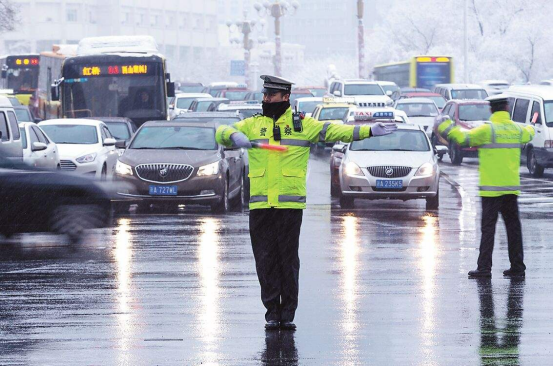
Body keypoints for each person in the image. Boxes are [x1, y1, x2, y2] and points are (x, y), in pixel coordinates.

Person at [215, 75, 397, 330]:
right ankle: (272, 312)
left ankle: (287, 313)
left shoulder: (303, 125)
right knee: (264, 260)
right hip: (260, 205)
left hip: (289, 206)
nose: (266, 99)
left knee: (287, 260)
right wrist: (233, 135)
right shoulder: (253, 125)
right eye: (265, 95)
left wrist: (367, 130)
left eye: (271, 96)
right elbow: (220, 131)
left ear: (285, 97)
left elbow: (335, 130)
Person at [438, 94, 535, 278]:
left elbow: (463, 139)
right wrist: (531, 124)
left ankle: (484, 268)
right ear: (507, 108)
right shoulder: (516, 129)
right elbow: (529, 132)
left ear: (492, 109)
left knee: (488, 229)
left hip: (491, 191)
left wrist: (445, 126)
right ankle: (517, 267)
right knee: (514, 229)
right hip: (511, 189)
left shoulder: (487, 130)